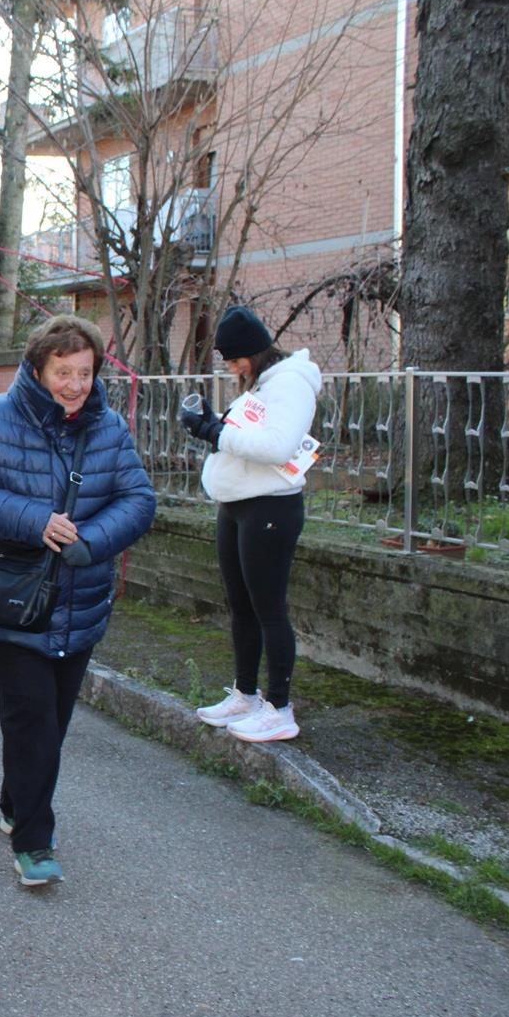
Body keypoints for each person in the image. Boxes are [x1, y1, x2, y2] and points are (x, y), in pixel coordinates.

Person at [0, 315, 154, 887]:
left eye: (85, 372)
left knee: (51, 721)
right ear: (37, 369)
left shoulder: (107, 427)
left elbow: (138, 498)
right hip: (7, 603)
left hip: (80, 602)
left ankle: (16, 802)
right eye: (64, 372)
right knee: (33, 716)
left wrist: (92, 542)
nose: (75, 384)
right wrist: (36, 520)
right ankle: (33, 843)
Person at [182, 304, 321, 743]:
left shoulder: (290, 384)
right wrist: (212, 424)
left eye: (234, 359)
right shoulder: (263, 384)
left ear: (253, 352)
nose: (231, 368)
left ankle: (279, 708)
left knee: (269, 610)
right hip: (238, 505)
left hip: (270, 509)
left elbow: (277, 447)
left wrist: (214, 433)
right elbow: (247, 437)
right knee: (240, 606)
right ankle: (245, 694)